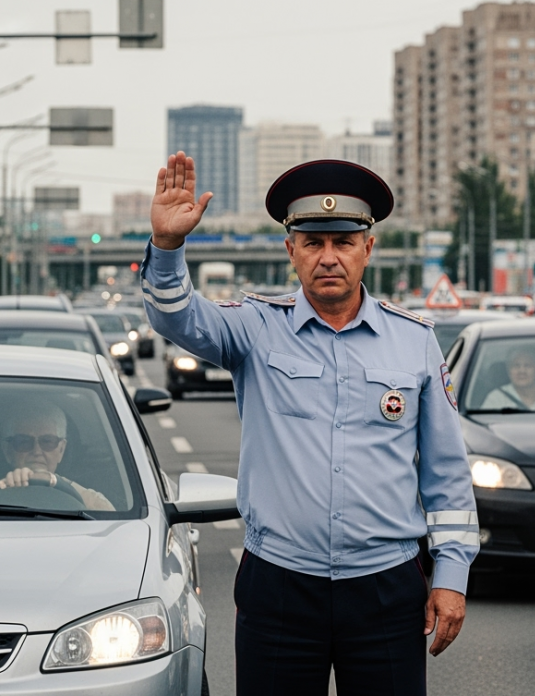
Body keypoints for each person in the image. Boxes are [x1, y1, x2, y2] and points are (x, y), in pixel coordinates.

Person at [141, 153, 476, 696]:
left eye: (343, 242)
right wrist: (167, 245)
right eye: (313, 242)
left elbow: (447, 474)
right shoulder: (255, 327)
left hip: (386, 588)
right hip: (279, 585)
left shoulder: (414, 341)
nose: (329, 257)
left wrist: (452, 577)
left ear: (368, 249)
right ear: (290, 250)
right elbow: (174, 316)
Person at [0, 402, 114, 511]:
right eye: (24, 442)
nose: (36, 451)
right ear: (7, 451)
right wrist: (5, 487)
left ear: (61, 449)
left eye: (47, 442)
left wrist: (54, 481)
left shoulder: (89, 501)